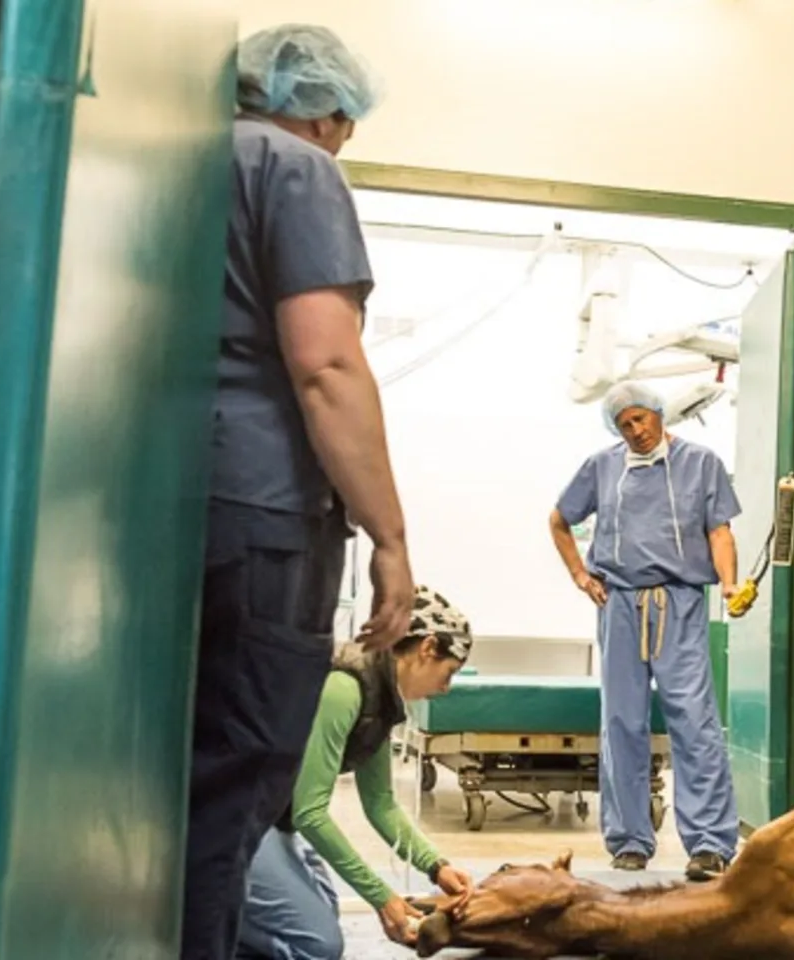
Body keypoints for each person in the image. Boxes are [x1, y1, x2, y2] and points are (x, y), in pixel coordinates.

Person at [183, 24, 418, 960]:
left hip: (181, 514)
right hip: (265, 519)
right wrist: (390, 537)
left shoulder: (183, 161)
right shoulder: (294, 168)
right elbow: (325, 365)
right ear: (324, 110)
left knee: (173, 782)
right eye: (345, 125)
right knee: (233, 789)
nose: (341, 142)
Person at [549, 383, 741, 883]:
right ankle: (630, 840)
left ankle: (708, 844)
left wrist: (732, 585)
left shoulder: (701, 464)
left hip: (679, 602)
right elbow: (559, 519)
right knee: (622, 723)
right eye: (625, 425)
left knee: (695, 722)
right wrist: (579, 575)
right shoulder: (601, 467)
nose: (636, 431)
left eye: (641, 419)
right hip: (619, 603)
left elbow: (720, 532)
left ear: (658, 414)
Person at [236, 586, 477, 959]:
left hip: (270, 818)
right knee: (317, 944)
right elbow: (310, 813)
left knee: (323, 914)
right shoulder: (344, 686)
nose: (444, 689)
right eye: (447, 673)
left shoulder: (379, 695)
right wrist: (383, 898)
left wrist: (436, 866)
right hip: (236, 816)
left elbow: (380, 803)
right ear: (427, 648)